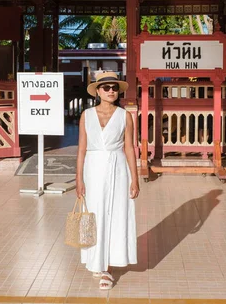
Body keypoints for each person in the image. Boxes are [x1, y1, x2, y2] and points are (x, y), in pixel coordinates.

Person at [75, 70, 140, 290]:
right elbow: (81, 149)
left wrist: (135, 179)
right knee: (94, 214)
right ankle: (96, 259)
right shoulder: (87, 115)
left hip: (118, 168)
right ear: (98, 91)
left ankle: (108, 268)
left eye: (114, 88)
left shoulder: (125, 116)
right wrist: (78, 179)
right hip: (93, 169)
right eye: (106, 87)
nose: (111, 91)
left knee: (115, 214)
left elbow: (129, 147)